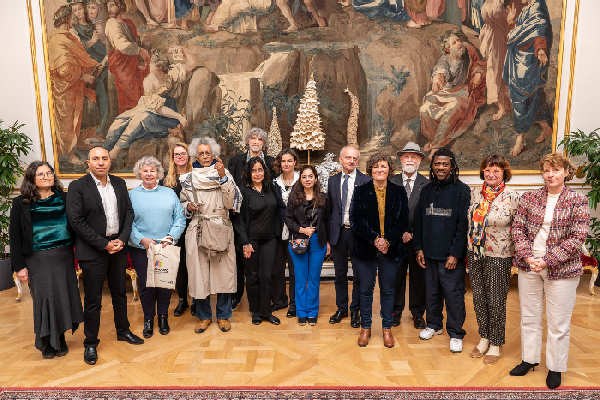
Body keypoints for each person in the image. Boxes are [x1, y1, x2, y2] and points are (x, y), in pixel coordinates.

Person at [509, 153, 590, 389]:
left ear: (566, 172)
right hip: (529, 265)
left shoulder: (577, 201)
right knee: (529, 316)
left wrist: (547, 260)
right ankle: (529, 359)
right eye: (546, 170)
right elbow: (518, 229)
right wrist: (528, 256)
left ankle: (555, 367)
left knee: (558, 322)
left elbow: (577, 238)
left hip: (562, 270)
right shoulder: (530, 197)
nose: (550, 174)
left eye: (555, 170)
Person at [66, 147, 144, 366]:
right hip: (93, 250)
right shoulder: (77, 187)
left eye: (104, 158)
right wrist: (104, 244)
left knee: (120, 293)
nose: (100, 162)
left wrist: (122, 238)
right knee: (93, 299)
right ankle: (90, 342)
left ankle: (123, 330)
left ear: (110, 161)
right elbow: (76, 221)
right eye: (95, 159)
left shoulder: (119, 183)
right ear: (88, 162)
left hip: (118, 248)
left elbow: (129, 213)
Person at [9, 162, 84, 359]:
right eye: (40, 174)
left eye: (49, 173)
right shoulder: (20, 203)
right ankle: (45, 341)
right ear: (32, 179)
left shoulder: (65, 198)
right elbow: (15, 237)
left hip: (63, 256)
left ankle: (59, 338)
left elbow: (78, 224)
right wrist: (19, 267)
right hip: (37, 259)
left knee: (61, 297)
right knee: (44, 299)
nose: (46, 176)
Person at [180, 137, 242, 334]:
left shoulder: (225, 174)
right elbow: (182, 202)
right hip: (198, 227)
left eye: (208, 153)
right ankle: (204, 316)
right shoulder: (188, 178)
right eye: (201, 153)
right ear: (195, 156)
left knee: (224, 273)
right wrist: (188, 206)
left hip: (220, 227)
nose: (205, 156)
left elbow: (231, 202)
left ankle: (223, 315)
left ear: (214, 155)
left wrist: (223, 177)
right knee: (199, 275)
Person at [413, 147, 470, 353]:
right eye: (437, 164)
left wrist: (455, 253)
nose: (441, 167)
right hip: (428, 254)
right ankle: (434, 324)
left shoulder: (462, 191)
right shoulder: (426, 190)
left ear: (452, 166)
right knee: (432, 293)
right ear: (432, 166)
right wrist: (418, 248)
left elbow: (463, 226)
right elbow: (418, 222)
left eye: (445, 164)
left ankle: (456, 332)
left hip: (450, 256)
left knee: (453, 295)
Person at [350, 153, 409, 348]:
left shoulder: (399, 192)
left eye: (383, 166)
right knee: (365, 290)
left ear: (389, 169)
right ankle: (365, 328)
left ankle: (387, 329)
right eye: (375, 167)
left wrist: (388, 241)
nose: (379, 170)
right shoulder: (360, 191)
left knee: (388, 290)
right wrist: (375, 239)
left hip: (391, 250)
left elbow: (403, 221)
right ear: (370, 171)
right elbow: (355, 221)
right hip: (365, 249)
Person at [467, 155, 520, 364]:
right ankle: (484, 337)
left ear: (504, 173)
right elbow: (469, 223)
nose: (491, 174)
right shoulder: (474, 193)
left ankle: (496, 342)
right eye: (488, 170)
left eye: (496, 171)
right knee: (478, 297)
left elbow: (519, 227)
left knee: (496, 300)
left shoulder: (512, 196)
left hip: (500, 254)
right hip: (475, 252)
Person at [128, 156, 186, 338]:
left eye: (152, 170)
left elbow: (180, 218)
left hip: (165, 246)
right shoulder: (131, 195)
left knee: (164, 285)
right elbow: (127, 223)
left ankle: (162, 317)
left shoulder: (169, 193)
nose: (149, 174)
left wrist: (171, 237)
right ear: (139, 173)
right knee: (147, 286)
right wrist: (141, 239)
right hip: (142, 248)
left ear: (158, 173)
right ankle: (148, 319)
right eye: (145, 171)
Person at [104, 50, 189, 160]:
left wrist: (179, 117)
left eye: (153, 66)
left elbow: (181, 72)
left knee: (139, 119)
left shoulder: (171, 76)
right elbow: (154, 107)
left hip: (167, 116)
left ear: (160, 67)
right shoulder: (149, 81)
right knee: (121, 119)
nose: (150, 68)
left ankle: (116, 151)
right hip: (152, 110)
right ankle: (105, 149)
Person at [227, 127, 275, 310]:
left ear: (264, 143)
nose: (256, 141)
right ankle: (237, 296)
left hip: (263, 218)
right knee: (241, 262)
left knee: (262, 269)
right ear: (247, 141)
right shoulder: (236, 161)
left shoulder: (271, 163)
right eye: (253, 138)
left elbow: (273, 190)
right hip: (240, 216)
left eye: (260, 139)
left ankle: (264, 303)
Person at [419, 30, 486, 157]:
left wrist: (478, 73)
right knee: (424, 109)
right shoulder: (445, 59)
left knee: (453, 107)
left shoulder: (468, 51)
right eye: (454, 43)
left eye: (459, 40)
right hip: (446, 92)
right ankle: (433, 140)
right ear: (448, 49)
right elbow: (440, 70)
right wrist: (437, 79)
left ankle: (436, 147)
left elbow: (478, 63)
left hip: (464, 91)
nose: (459, 44)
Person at [235, 157, 284, 325]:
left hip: (270, 239)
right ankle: (255, 311)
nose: (257, 173)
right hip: (251, 241)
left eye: (260, 170)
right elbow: (239, 219)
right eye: (254, 170)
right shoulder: (243, 191)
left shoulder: (273, 187)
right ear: (249, 173)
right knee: (253, 276)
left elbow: (280, 210)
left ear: (265, 171)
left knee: (267, 275)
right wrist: (245, 242)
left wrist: (280, 233)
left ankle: (266, 311)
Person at [48, 5, 98, 164]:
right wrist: (83, 76)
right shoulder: (58, 39)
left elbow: (76, 58)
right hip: (65, 89)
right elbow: (64, 70)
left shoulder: (67, 37)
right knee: (67, 122)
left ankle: (74, 148)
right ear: (67, 18)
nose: (75, 19)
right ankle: (68, 155)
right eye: (72, 17)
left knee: (75, 119)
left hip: (73, 87)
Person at [327, 145, 371, 328]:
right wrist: (328, 238)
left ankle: (356, 310)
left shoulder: (366, 180)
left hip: (358, 235)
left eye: (354, 158)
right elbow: (329, 211)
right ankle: (342, 308)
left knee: (359, 276)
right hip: (339, 234)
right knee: (340, 274)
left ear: (357, 161)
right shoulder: (332, 181)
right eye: (348, 157)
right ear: (341, 159)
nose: (351, 161)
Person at [503, 0, 553, 157]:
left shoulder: (537, 8)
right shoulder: (527, 8)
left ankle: (520, 138)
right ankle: (546, 126)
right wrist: (511, 23)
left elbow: (540, 29)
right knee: (534, 95)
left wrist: (540, 50)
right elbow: (519, 32)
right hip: (519, 59)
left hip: (529, 62)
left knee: (521, 98)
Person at [285, 165, 330, 326]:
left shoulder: (323, 197)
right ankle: (301, 312)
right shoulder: (294, 197)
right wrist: (301, 229)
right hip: (298, 240)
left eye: (310, 176)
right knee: (300, 278)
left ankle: (312, 311)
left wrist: (329, 242)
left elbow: (327, 221)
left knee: (313, 279)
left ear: (316, 178)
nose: (307, 179)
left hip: (318, 241)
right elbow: (288, 219)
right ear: (300, 179)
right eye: (304, 176)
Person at [390, 142, 428, 329]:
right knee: (396, 277)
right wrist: (399, 233)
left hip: (418, 240)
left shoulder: (427, 185)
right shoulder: (391, 182)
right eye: (406, 156)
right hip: (396, 241)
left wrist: (412, 233)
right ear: (401, 159)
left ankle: (418, 314)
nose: (410, 159)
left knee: (418, 279)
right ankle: (395, 313)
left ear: (420, 160)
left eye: (414, 156)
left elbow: (427, 215)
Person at [160, 142, 193, 317]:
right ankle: (182, 300)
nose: (180, 157)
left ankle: (196, 299)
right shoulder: (165, 180)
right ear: (172, 158)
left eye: (183, 153)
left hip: (194, 225)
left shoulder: (196, 176)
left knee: (194, 264)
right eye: (177, 154)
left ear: (188, 156)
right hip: (175, 228)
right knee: (180, 266)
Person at [71, 0, 110, 137]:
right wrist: (93, 41)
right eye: (75, 10)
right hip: (90, 65)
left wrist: (104, 60)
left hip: (103, 62)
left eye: (80, 9)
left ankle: (106, 124)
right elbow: (79, 50)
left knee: (107, 87)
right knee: (99, 87)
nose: (78, 13)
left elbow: (107, 46)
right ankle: (101, 126)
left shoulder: (94, 25)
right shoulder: (74, 29)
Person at [105, 0, 150, 114]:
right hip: (120, 63)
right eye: (108, 5)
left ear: (119, 5)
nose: (109, 8)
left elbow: (135, 40)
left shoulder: (128, 22)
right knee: (130, 93)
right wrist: (139, 50)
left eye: (112, 5)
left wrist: (141, 46)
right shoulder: (111, 23)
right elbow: (121, 45)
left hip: (132, 60)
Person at [272, 148, 300, 317]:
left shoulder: (301, 180)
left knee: (295, 269)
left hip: (296, 231)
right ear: (279, 163)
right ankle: (280, 299)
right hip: (277, 231)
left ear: (295, 162)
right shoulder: (275, 182)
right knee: (277, 268)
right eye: (283, 161)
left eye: (290, 161)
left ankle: (294, 303)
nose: (286, 164)